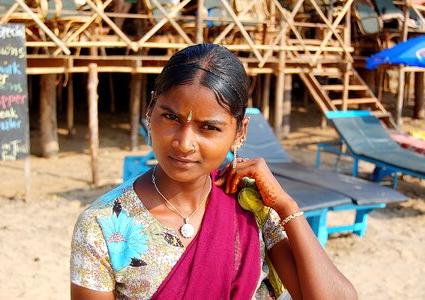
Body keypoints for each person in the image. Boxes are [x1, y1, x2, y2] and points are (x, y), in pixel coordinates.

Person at [70, 43, 357, 299]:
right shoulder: (103, 225)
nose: (184, 143)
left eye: (209, 127)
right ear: (149, 111)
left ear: (239, 133)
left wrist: (286, 205)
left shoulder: (253, 207)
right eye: (171, 117)